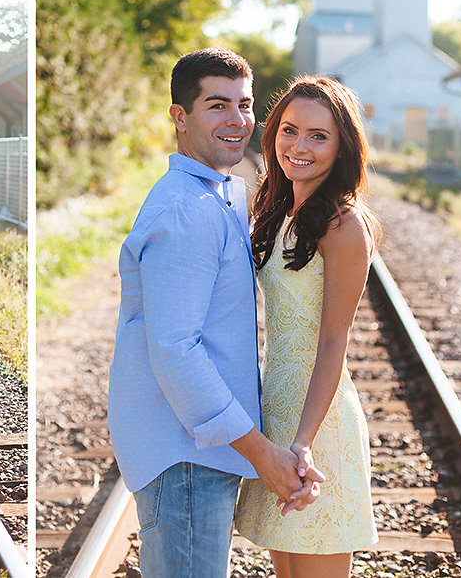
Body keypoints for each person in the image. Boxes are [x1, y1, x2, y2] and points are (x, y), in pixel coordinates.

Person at [108, 48, 323, 578]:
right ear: (180, 118)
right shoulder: (188, 211)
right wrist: (260, 452)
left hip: (203, 447)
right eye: (217, 105)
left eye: (245, 105)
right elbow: (176, 349)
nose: (237, 120)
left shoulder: (224, 192)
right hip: (186, 454)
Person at [234, 76, 380, 576]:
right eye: (290, 130)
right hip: (276, 402)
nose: (299, 146)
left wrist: (303, 440)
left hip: (317, 420)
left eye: (319, 136)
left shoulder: (343, 223)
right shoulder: (278, 210)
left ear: (342, 147)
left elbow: (334, 339)